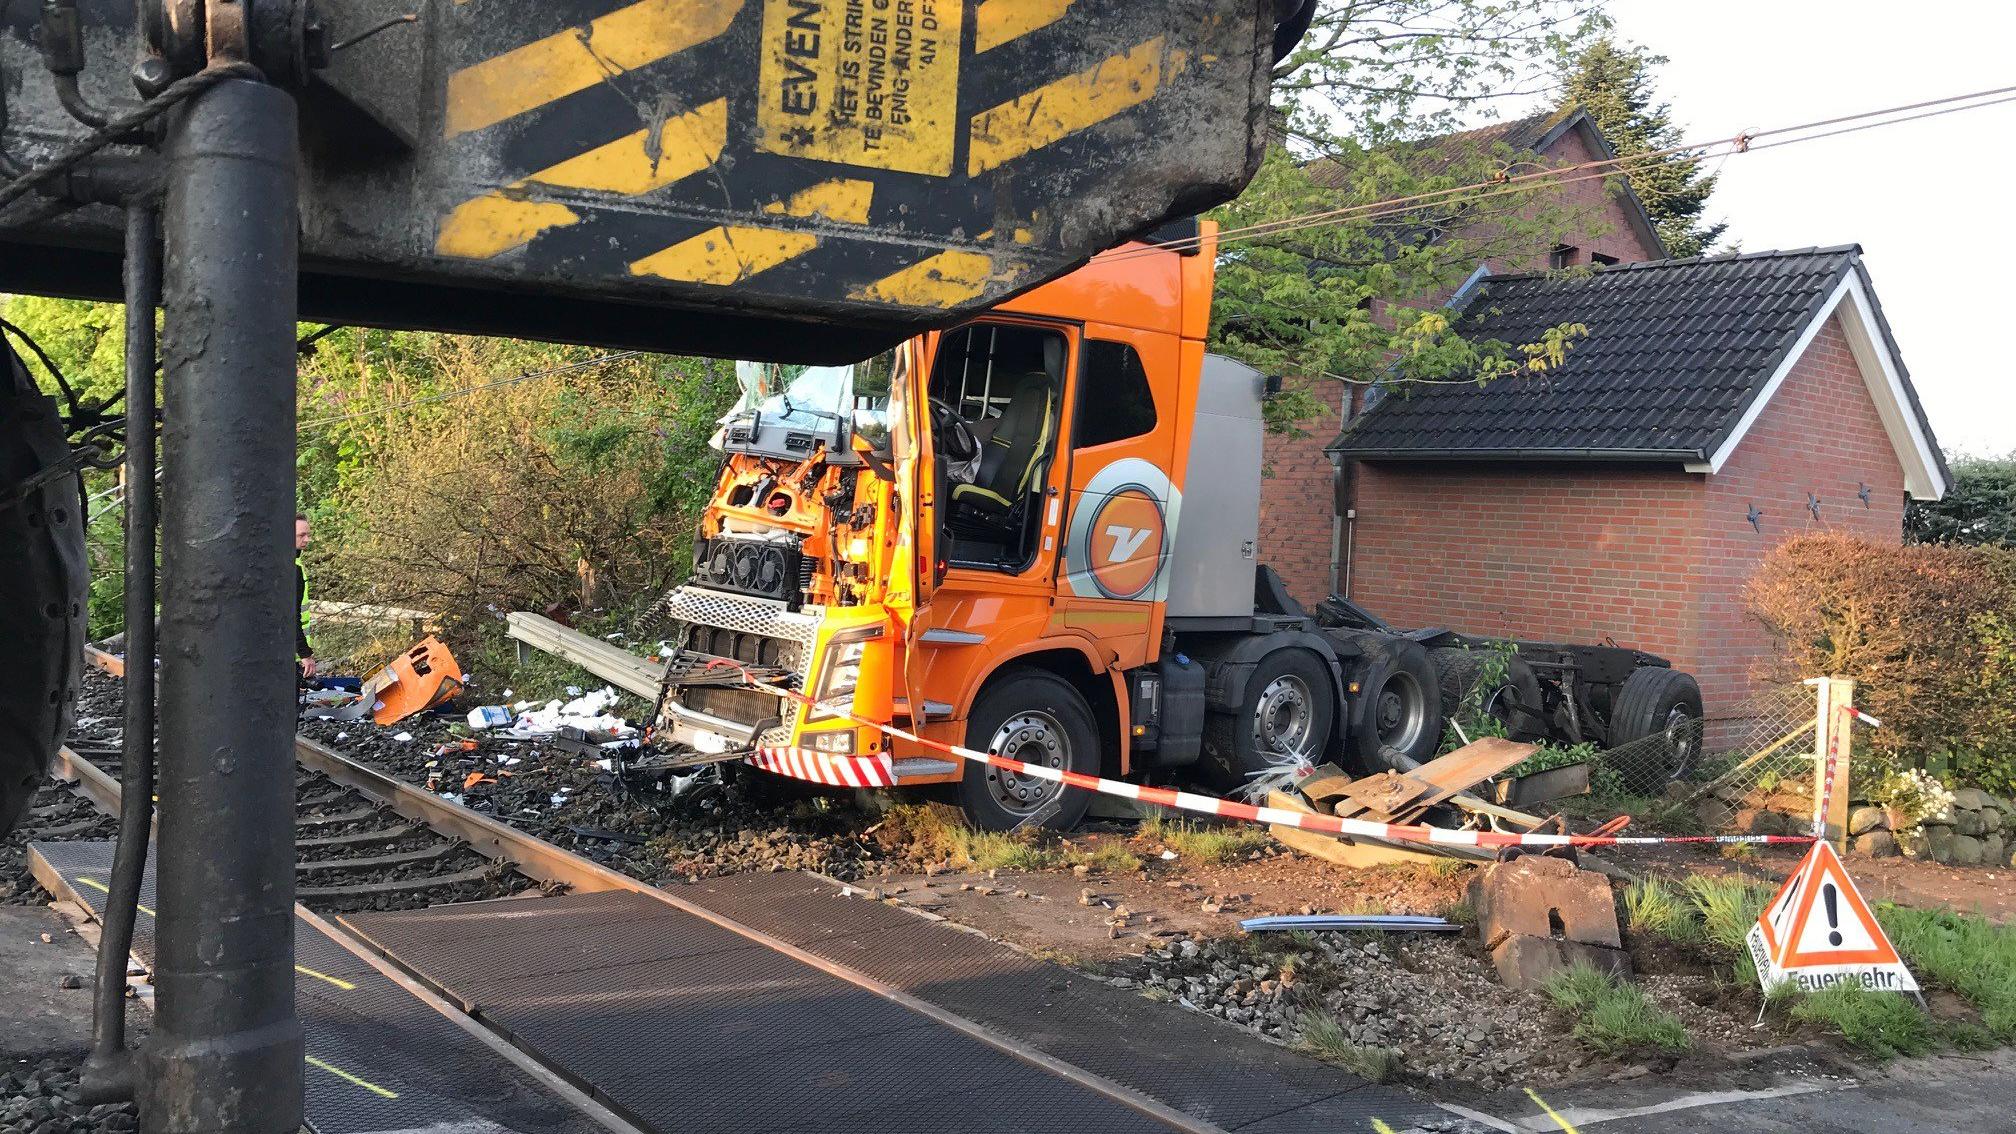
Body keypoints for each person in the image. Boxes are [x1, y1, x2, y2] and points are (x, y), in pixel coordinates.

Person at [295, 513, 316, 678]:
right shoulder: (291, 569)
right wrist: (305, 654)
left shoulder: (297, 564)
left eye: (308, 535)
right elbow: (289, 616)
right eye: (302, 535)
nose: (307, 539)